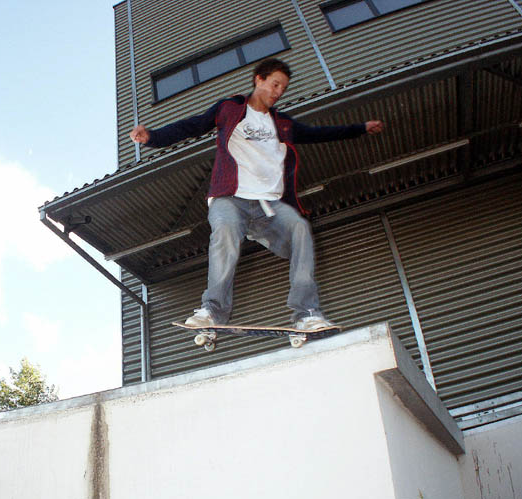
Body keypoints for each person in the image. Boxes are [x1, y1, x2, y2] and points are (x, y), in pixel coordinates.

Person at [130, 58, 384, 331]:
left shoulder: (283, 123)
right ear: (258, 79)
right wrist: (153, 137)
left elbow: (318, 133)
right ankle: (212, 310)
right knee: (225, 232)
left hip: (270, 205)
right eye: (274, 84)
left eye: (283, 88)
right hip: (230, 198)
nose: (278, 92)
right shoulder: (229, 108)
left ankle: (307, 313)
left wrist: (359, 128)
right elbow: (192, 126)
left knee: (300, 229)